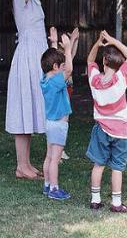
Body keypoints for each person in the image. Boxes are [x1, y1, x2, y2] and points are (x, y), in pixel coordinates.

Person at [5, 0, 53, 180]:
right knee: (24, 108)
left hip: (38, 56)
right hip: (26, 57)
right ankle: (20, 166)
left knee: (33, 107)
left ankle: (25, 164)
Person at [85, 30, 127, 213]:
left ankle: (95, 200)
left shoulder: (95, 80)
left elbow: (90, 61)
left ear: (104, 62)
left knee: (98, 164)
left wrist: (98, 43)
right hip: (120, 132)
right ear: (119, 64)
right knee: (117, 168)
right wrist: (114, 40)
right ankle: (116, 203)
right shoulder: (121, 78)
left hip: (101, 130)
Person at [40, 33, 77, 200]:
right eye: (61, 65)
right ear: (55, 67)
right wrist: (68, 49)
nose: (64, 67)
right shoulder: (56, 81)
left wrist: (54, 43)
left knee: (49, 156)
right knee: (55, 159)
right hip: (59, 125)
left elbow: (57, 65)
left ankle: (47, 185)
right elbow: (69, 70)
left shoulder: (45, 79)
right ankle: (54, 189)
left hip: (50, 124)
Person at [48, 26, 79, 161]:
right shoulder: (58, 64)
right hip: (60, 93)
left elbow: (72, 53)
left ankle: (60, 150)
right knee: (58, 122)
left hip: (67, 92)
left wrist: (75, 39)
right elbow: (68, 56)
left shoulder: (66, 59)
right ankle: (55, 152)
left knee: (63, 122)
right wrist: (70, 41)